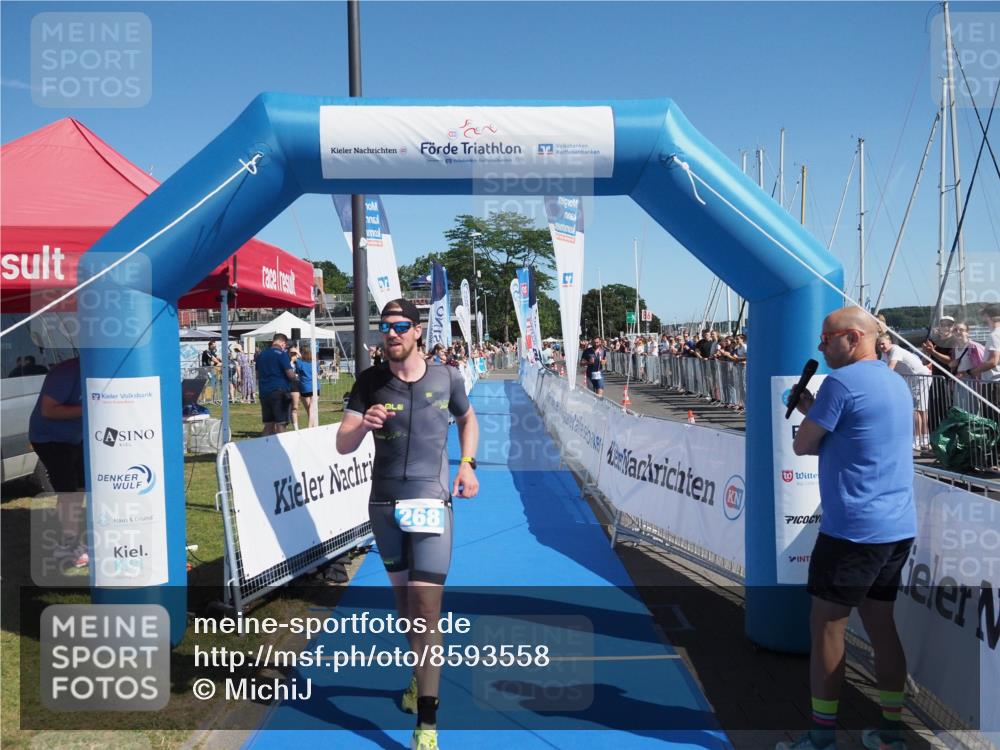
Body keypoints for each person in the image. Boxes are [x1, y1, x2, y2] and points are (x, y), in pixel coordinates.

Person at [336, 298, 479, 750]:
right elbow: (342, 443)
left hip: (430, 500)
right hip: (384, 505)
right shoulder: (369, 381)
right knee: (404, 604)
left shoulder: (446, 377)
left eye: (400, 326)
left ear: (417, 331)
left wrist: (468, 465)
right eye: (386, 327)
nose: (392, 334)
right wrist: (363, 425)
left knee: (425, 603)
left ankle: (427, 723)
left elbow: (467, 419)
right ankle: (421, 673)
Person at [778, 307, 916, 750]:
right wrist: (814, 410)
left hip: (853, 529)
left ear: (853, 338)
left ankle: (821, 739)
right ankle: (891, 732)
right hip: (897, 526)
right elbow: (859, 440)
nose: (820, 346)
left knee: (826, 627)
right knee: (881, 625)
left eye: (827, 338)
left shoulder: (840, 383)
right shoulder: (895, 381)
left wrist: (808, 415)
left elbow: (803, 444)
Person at [28, 357, 87, 568]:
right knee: (68, 491)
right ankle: (69, 545)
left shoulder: (101, 368)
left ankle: (76, 537)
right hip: (49, 438)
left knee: (83, 487)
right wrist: (91, 407)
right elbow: (49, 410)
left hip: (76, 437)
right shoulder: (66, 372)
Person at [877, 334, 932, 451]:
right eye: (879, 345)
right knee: (919, 410)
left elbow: (890, 369)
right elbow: (882, 367)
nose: (881, 346)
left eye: (883, 343)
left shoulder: (895, 350)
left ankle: (919, 440)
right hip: (912, 380)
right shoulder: (885, 353)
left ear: (890, 342)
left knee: (918, 410)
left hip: (920, 378)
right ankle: (923, 439)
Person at [255, 333, 296, 435]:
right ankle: (282, 444)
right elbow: (290, 374)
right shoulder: (282, 354)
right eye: (285, 345)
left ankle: (263, 444)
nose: (284, 347)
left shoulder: (261, 355)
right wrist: (295, 379)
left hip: (264, 392)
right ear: (282, 343)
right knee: (281, 423)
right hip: (279, 392)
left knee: (268, 424)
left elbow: (257, 375)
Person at [295, 345, 320, 429]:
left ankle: (310, 427)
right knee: (311, 409)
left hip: (304, 387)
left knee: (309, 409)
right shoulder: (316, 362)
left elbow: (297, 372)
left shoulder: (299, 362)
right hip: (315, 387)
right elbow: (317, 372)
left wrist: (298, 355)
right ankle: (312, 427)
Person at [288, 347, 303, 430]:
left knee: (295, 407)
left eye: (295, 354)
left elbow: (304, 360)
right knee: (287, 408)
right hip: (287, 386)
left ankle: (295, 428)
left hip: (296, 386)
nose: (293, 355)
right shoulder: (286, 362)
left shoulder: (298, 362)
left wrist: (298, 352)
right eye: (292, 353)